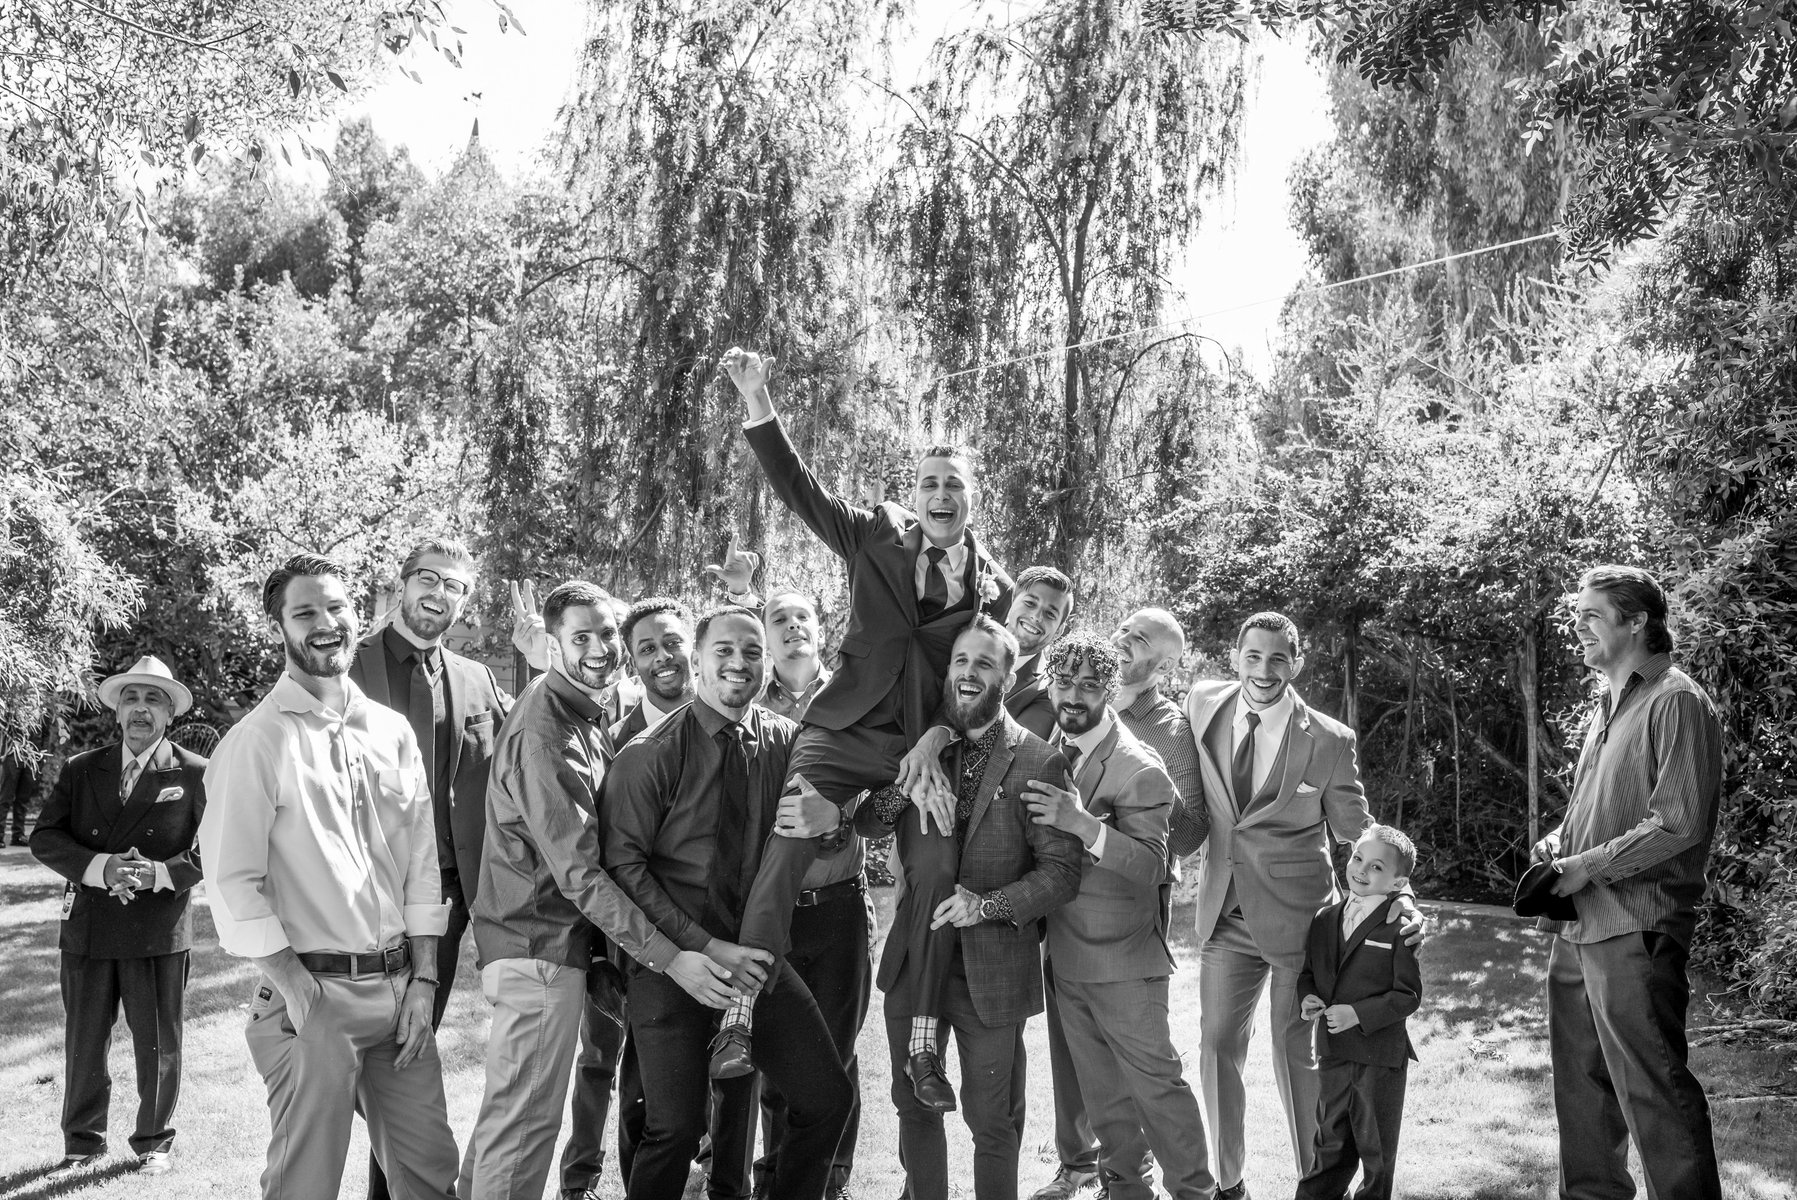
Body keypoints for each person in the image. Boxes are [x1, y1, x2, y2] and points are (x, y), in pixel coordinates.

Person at [718, 346, 1013, 1074]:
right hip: (841, 729)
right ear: (913, 495)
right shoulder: (874, 533)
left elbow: (982, 689)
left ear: (972, 500)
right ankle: (739, 1012)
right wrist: (758, 398)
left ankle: (921, 1038)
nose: (939, 494)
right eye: (928, 483)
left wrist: (935, 739)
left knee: (936, 865)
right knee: (790, 834)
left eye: (953, 485)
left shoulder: (995, 591)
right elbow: (800, 489)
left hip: (921, 749)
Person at [462, 582, 755, 1200]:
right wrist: (671, 958)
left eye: (604, 634)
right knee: (522, 1132)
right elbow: (581, 874)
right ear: (554, 645)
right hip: (539, 947)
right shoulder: (548, 733)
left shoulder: (579, 712)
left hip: (550, 948)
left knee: (508, 1123)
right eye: (580, 637)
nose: (598, 648)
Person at [200, 554, 460, 1200]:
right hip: (314, 999)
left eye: (336, 607)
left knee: (431, 1176)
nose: (325, 623)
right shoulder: (256, 741)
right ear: (279, 628)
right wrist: (297, 988)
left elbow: (421, 864)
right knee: (304, 1188)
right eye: (305, 612)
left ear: (358, 614)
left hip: (400, 994)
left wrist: (424, 979)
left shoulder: (392, 732)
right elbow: (231, 881)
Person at [603, 606, 854, 1200]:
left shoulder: (789, 742)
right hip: (676, 962)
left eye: (752, 651)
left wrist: (834, 820)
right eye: (724, 650)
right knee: (675, 1129)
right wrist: (704, 946)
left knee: (827, 1099)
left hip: (758, 959)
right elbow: (623, 870)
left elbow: (825, 833)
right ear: (697, 659)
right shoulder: (649, 754)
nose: (739, 662)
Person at [1184, 612, 1420, 1199]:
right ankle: (1228, 1182)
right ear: (1235, 657)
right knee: (1216, 1045)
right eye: (1253, 656)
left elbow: (1358, 830)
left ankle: (1314, 1185)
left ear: (1297, 663)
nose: (1264, 670)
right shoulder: (1202, 703)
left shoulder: (1330, 740)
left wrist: (1403, 895)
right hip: (1223, 912)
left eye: (1278, 659)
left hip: (1303, 923)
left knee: (1298, 1055)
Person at [857, 616, 1083, 1200]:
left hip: (992, 969)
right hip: (914, 958)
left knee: (992, 1122)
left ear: (1008, 677)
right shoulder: (920, 747)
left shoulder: (1039, 761)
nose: (969, 671)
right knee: (912, 1107)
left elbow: (1062, 872)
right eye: (960, 660)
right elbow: (868, 821)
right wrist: (903, 786)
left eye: (984, 663)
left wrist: (988, 905)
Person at [1530, 564, 1724, 1200]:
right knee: (1582, 1092)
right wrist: (1561, 842)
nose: (1577, 626)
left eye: (1591, 615)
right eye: (1576, 615)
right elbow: (1603, 807)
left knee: (1653, 1092)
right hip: (1578, 927)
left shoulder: (1675, 700)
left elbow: (1678, 822)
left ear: (1637, 621)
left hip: (1637, 927)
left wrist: (1587, 865)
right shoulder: (1608, 705)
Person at [347, 538, 512, 1200]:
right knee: (349, 1062)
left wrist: (540, 663)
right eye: (428, 578)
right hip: (358, 893)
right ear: (402, 582)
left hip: (445, 902)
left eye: (455, 585)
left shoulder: (476, 680)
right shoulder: (347, 664)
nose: (438, 593)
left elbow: (523, 755)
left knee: (407, 1056)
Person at [1027, 632, 1217, 1200]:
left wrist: (1083, 824)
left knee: (1157, 1088)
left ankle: (1196, 1192)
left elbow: (1155, 864)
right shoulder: (1052, 748)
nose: (1074, 695)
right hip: (1066, 956)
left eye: (1089, 685)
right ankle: (1128, 1188)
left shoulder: (1139, 767)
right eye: (1064, 682)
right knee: (1101, 1092)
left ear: (1110, 690)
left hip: (1126, 961)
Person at [31, 655, 207, 1176]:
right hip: (89, 924)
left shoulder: (196, 773)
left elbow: (219, 847)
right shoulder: (82, 768)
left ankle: (154, 1142)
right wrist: (102, 867)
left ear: (170, 713)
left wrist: (159, 873)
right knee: (84, 1040)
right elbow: (45, 837)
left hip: (158, 928)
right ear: (117, 711)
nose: (140, 709)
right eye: (131, 698)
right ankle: (82, 1144)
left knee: (159, 1044)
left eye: (153, 699)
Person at [562, 595, 700, 1200]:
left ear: (692, 646)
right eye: (647, 648)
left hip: (711, 936)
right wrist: (602, 952)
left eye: (672, 642)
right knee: (614, 1064)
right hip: (626, 938)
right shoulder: (613, 741)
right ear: (632, 661)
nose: (662, 657)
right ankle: (587, 1182)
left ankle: (710, 1177)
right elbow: (593, 854)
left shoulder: (734, 728)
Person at [1296, 825, 1423, 1200]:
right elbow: (1309, 974)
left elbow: (1408, 995)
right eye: (1357, 858)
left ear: (1398, 882)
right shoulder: (1324, 920)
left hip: (1379, 1058)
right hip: (1334, 1054)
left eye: (1377, 867)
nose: (1362, 870)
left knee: (1376, 1152)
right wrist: (1308, 998)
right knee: (1329, 1143)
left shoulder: (1399, 927)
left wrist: (1357, 1014)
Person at [1002, 567, 1075, 738]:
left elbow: (1010, 748)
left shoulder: (1048, 694)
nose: (1036, 616)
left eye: (1050, 614)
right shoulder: (967, 634)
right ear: (1012, 600)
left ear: (1059, 630)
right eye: (1030, 603)